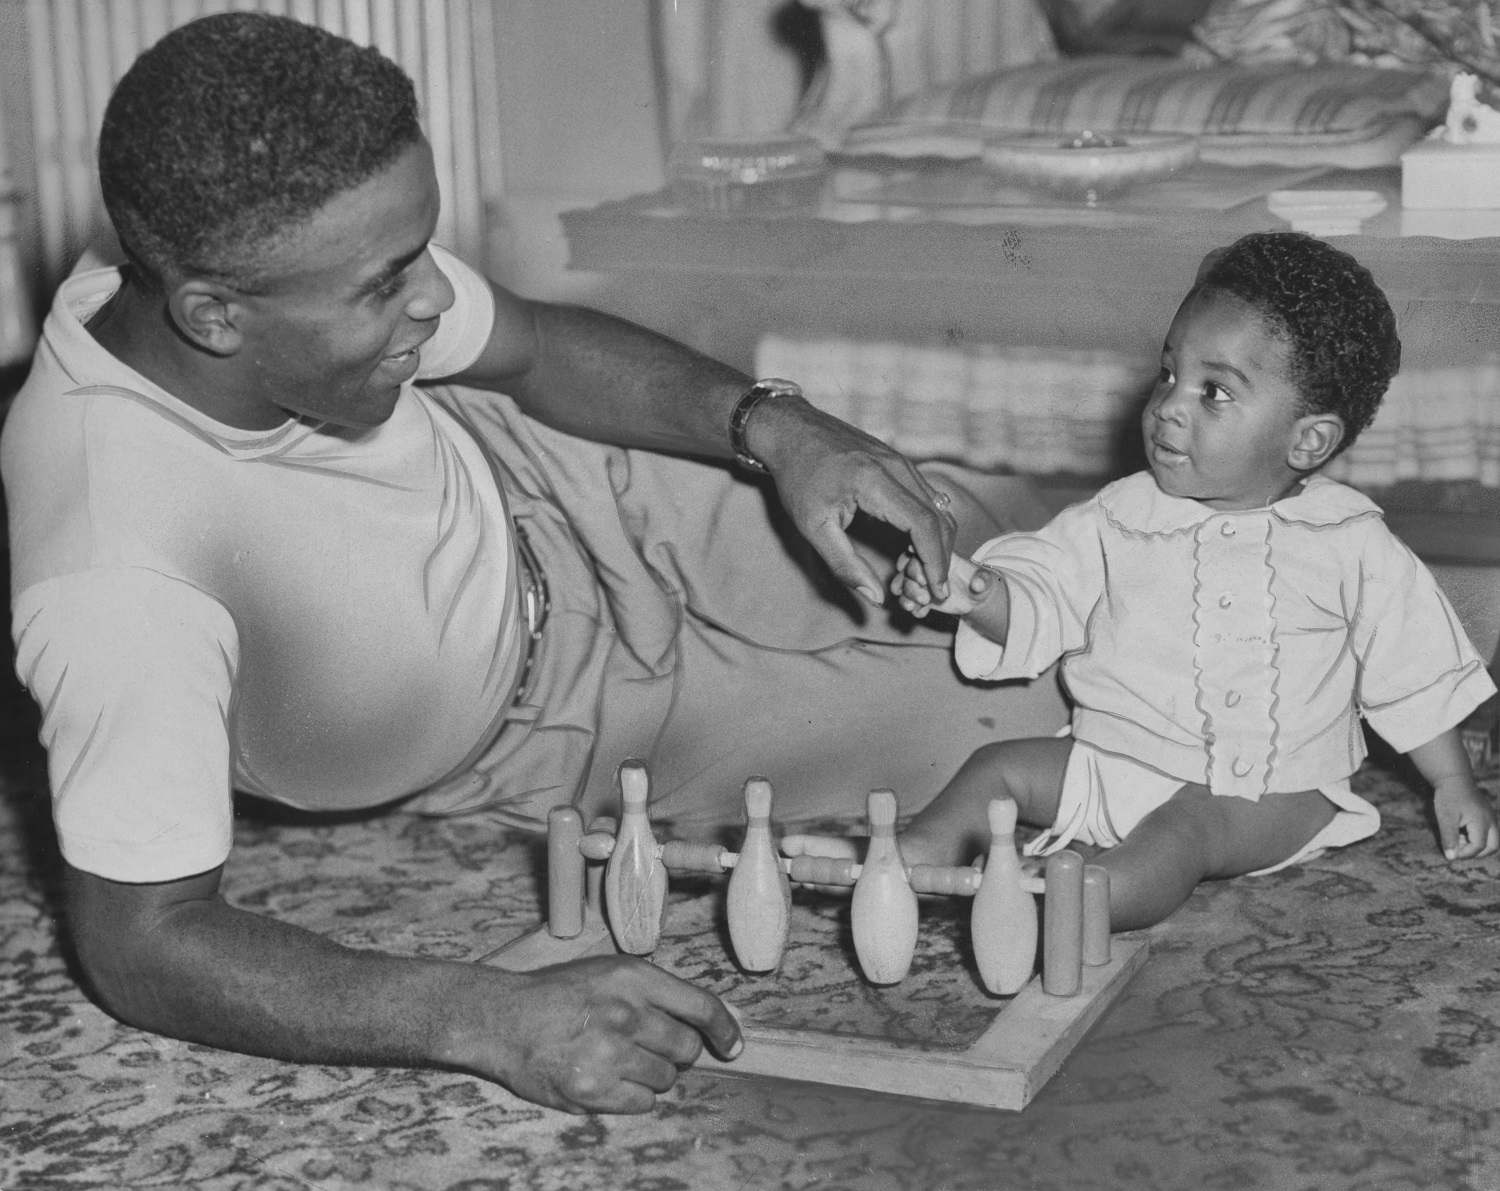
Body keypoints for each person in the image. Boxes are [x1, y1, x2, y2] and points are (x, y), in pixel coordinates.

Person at [1, 14, 1067, 1114]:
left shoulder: (254, 255)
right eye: (384, 284)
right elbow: (144, 942)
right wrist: (489, 1016)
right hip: (556, 731)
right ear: (212, 316)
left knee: (1013, 571)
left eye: (423, 249)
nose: (431, 296)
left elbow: (537, 349)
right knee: (1056, 727)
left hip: (568, 481)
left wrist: (772, 424)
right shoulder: (116, 575)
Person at [880, 231, 1499, 928]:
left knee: (1182, 832)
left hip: (1266, 793)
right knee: (998, 766)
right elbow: (1046, 589)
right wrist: (982, 595)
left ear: (1307, 441)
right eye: (1168, 373)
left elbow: (1411, 661)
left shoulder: (1348, 541)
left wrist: (1452, 781)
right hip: (1113, 758)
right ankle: (910, 860)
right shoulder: (1121, 514)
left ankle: (1075, 903)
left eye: (1216, 392)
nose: (1170, 405)